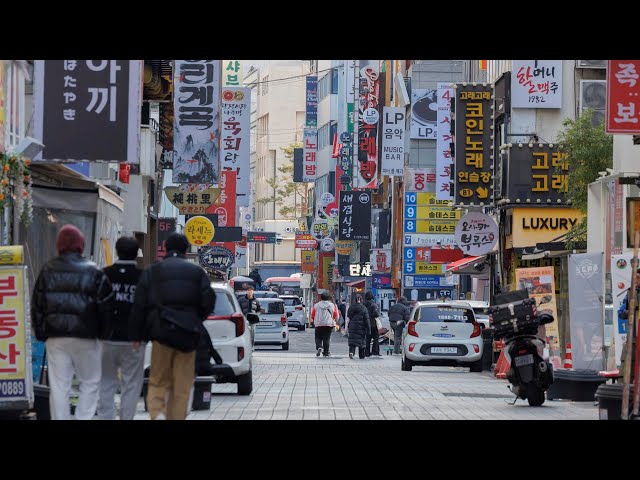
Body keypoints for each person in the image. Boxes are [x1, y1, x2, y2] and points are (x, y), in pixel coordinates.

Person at [32, 224, 114, 420]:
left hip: (56, 337)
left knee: (59, 384)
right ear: (81, 244)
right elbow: (106, 307)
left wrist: (41, 332)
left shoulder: (47, 270)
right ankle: (82, 417)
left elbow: (37, 305)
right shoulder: (94, 271)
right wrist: (104, 334)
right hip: (87, 336)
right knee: (90, 381)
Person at [130, 233, 215, 420]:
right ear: (186, 250)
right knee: (182, 384)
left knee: (158, 379)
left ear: (166, 248)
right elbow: (208, 301)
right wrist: (194, 319)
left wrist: (138, 335)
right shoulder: (197, 272)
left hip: (161, 333)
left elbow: (139, 304)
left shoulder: (152, 271)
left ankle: (157, 415)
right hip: (187, 335)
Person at [96, 236, 144, 420]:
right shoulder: (143, 277)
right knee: (131, 384)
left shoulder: (103, 274)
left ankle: (106, 417)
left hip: (107, 338)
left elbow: (96, 305)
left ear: (117, 251)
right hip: (135, 339)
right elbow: (147, 307)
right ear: (136, 253)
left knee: (106, 382)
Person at [310, 292, 339, 357]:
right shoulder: (332, 305)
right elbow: (336, 316)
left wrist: (313, 321)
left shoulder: (316, 305)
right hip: (328, 324)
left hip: (318, 324)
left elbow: (312, 315)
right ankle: (326, 352)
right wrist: (335, 321)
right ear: (328, 298)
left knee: (318, 337)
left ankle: (319, 347)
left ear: (321, 297)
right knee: (327, 338)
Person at [347, 295, 369, 359]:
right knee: (361, 342)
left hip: (352, 326)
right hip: (361, 327)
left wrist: (347, 326)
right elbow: (367, 319)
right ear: (361, 300)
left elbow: (348, 316)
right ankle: (361, 355)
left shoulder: (351, 307)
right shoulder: (364, 308)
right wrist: (368, 328)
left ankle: (351, 352)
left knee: (352, 341)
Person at [363, 291, 381, 357]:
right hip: (373, 323)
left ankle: (366, 352)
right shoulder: (373, 304)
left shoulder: (363, 304)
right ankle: (375, 351)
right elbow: (376, 314)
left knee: (367, 338)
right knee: (376, 338)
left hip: (365, 323)